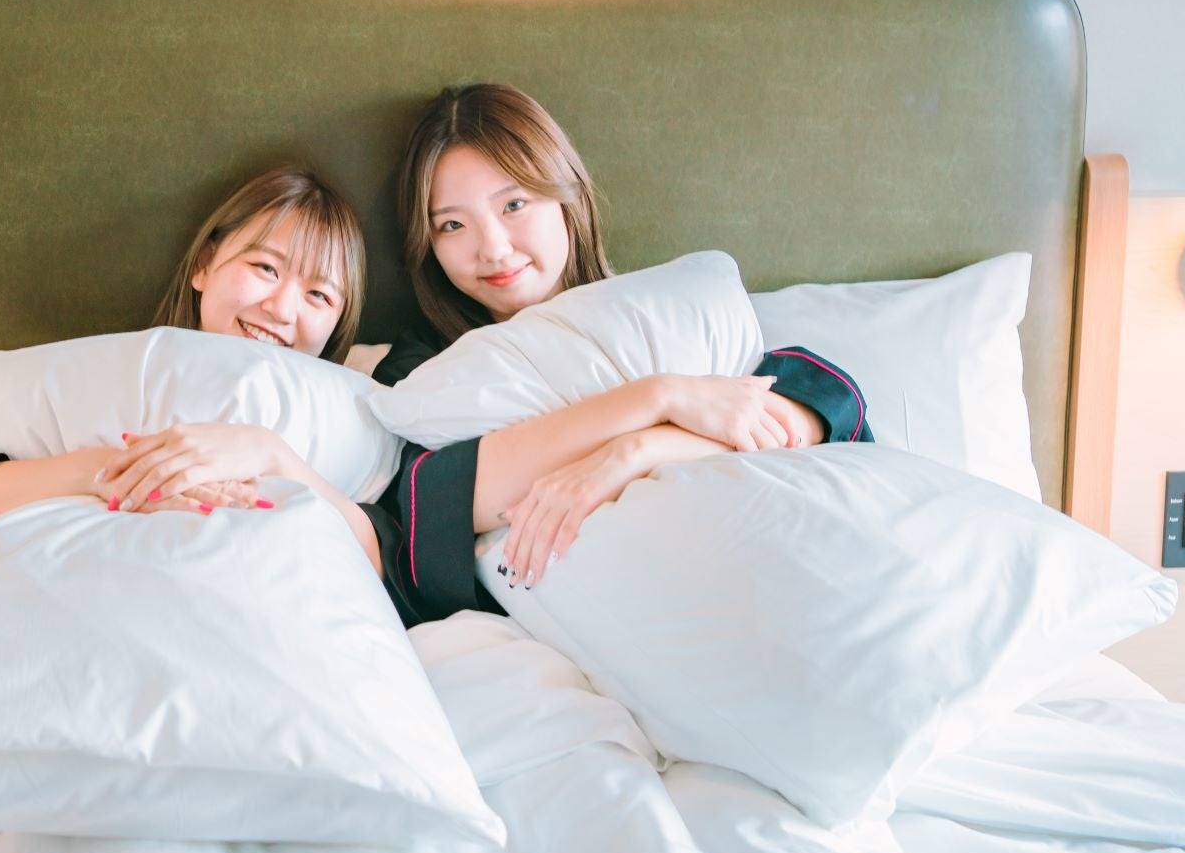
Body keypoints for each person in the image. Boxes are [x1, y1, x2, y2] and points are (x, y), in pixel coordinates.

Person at [362, 83, 873, 621]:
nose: (492, 247)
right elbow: (435, 502)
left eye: (514, 204)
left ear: (567, 199)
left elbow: (814, 413)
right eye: (452, 224)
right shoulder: (426, 375)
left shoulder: (663, 318)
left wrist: (638, 450)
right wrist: (659, 398)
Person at [0, 165, 387, 596]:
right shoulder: (95, 381)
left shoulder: (350, 431)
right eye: (266, 268)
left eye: (319, 295)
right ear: (204, 264)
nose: (282, 308)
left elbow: (389, 582)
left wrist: (272, 454)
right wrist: (109, 473)